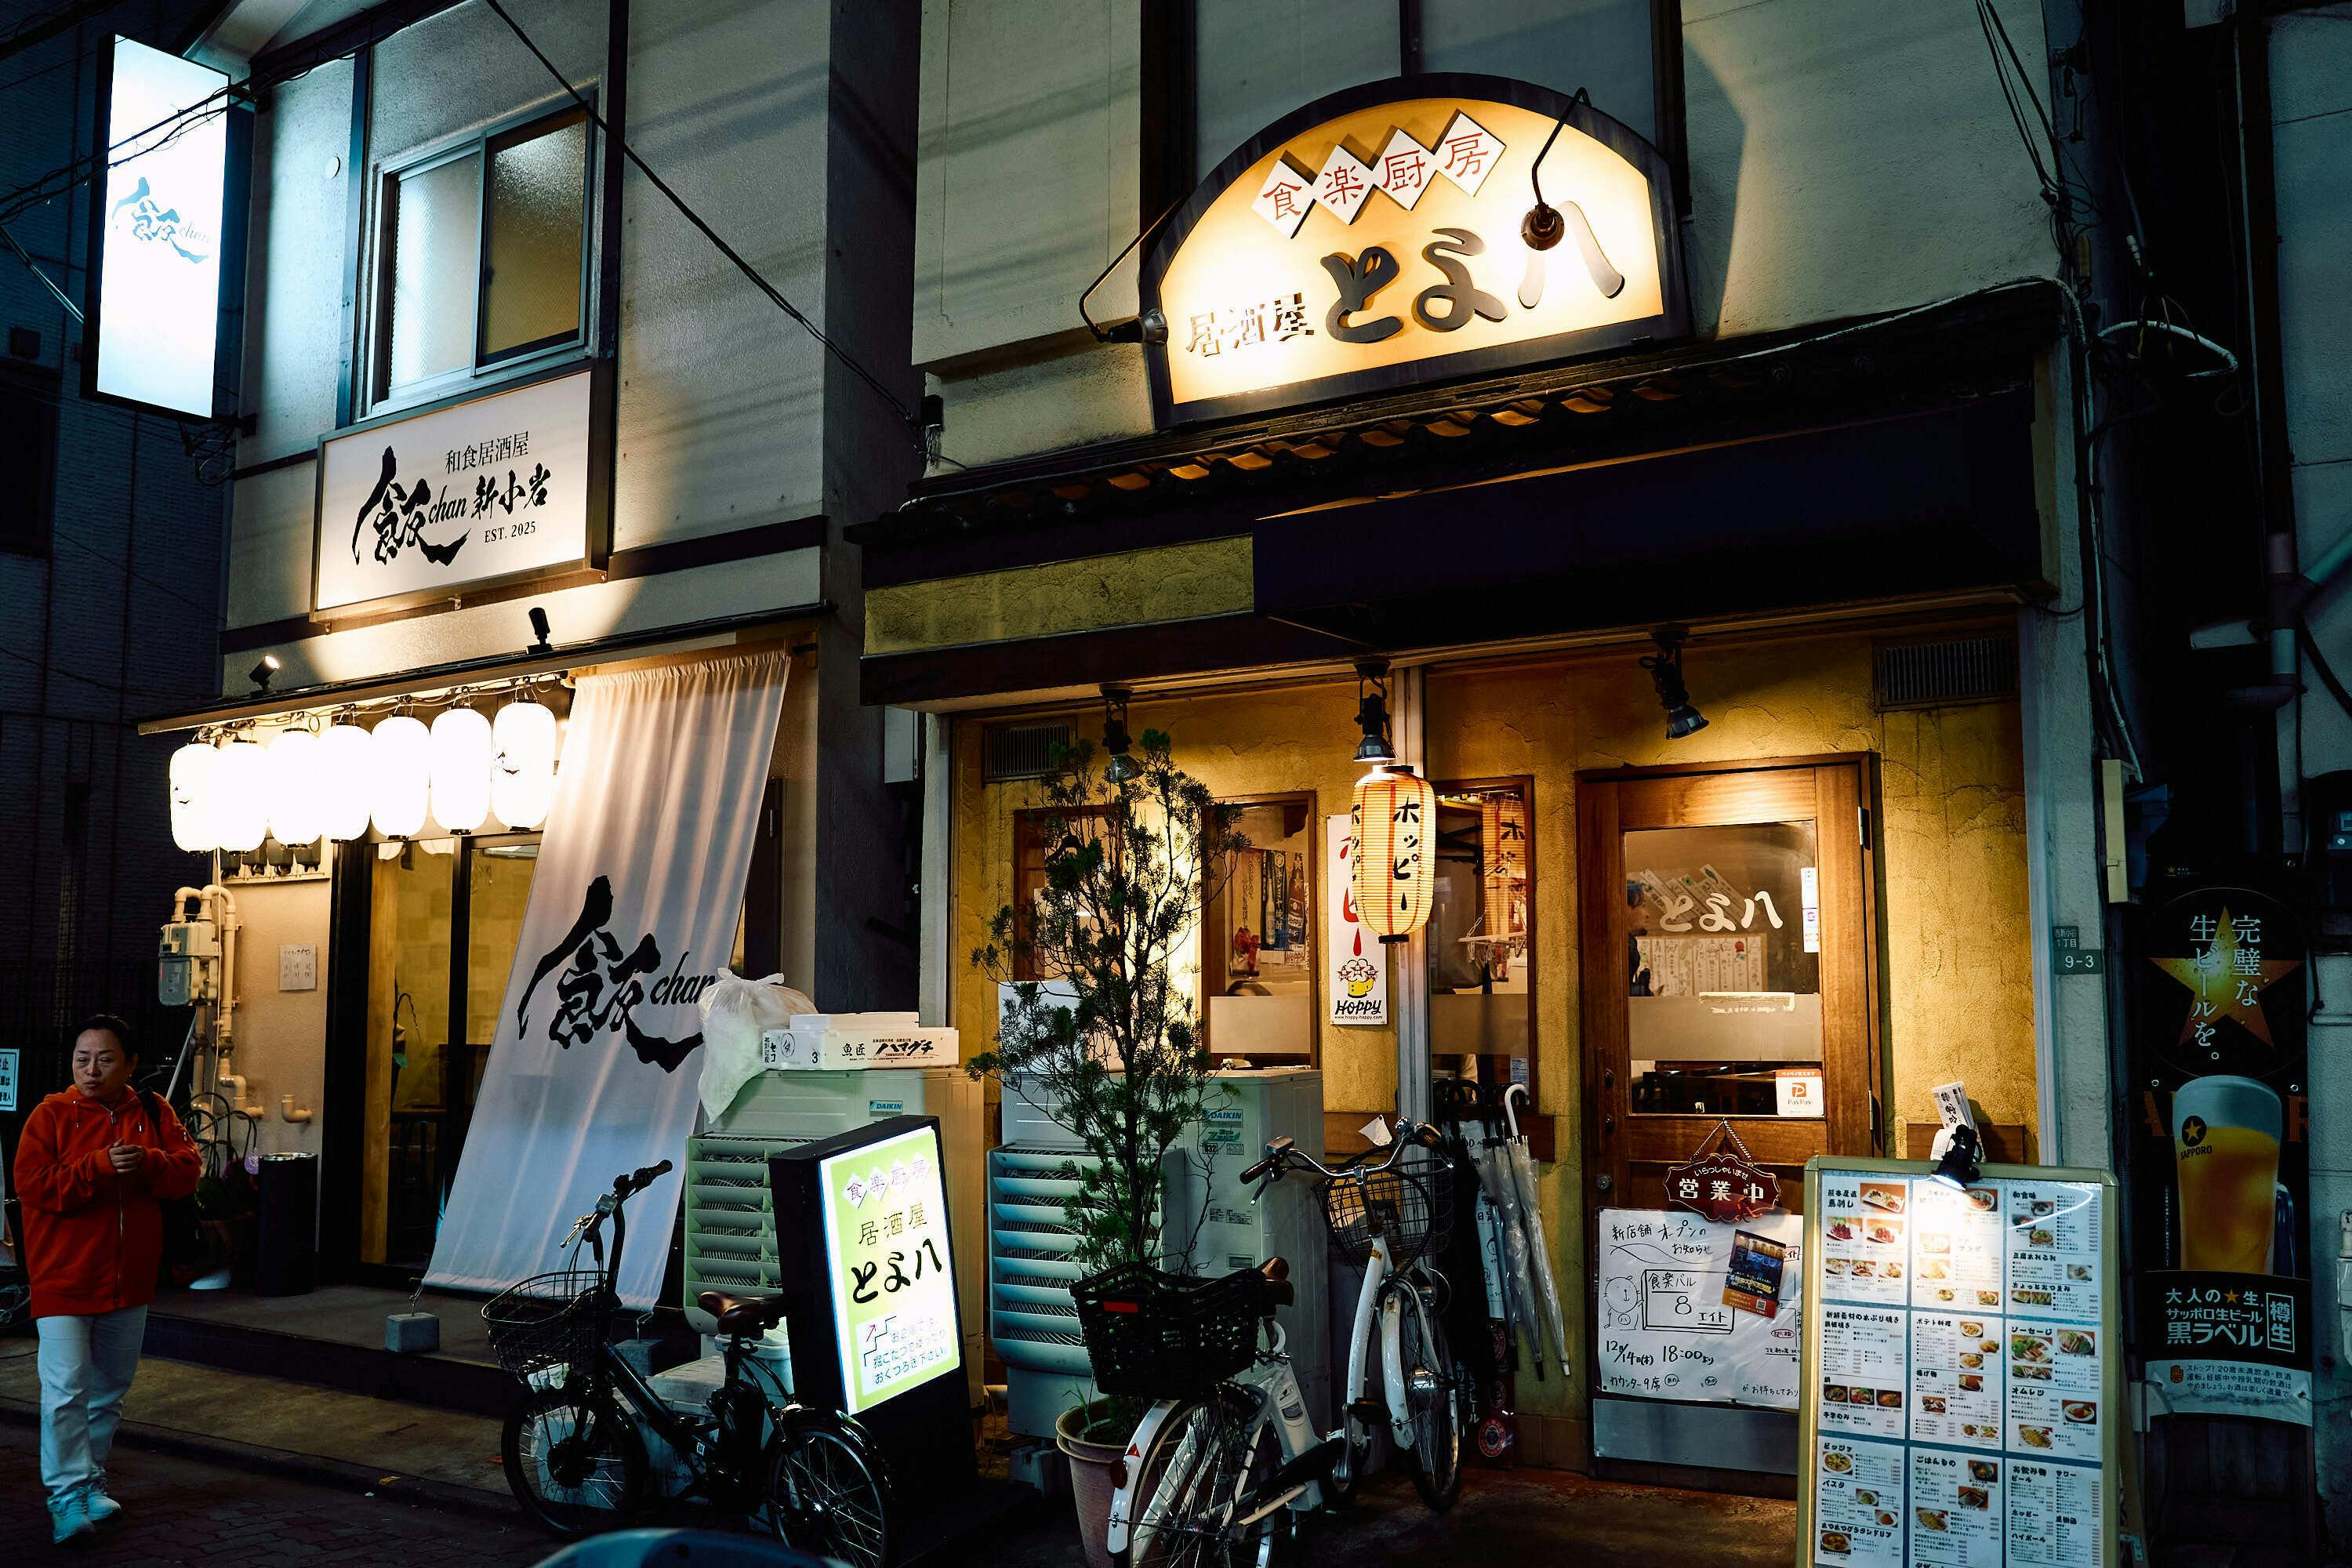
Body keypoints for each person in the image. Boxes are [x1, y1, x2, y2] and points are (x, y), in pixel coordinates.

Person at [13, 1014, 200, 1543]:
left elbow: (188, 1171)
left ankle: (91, 1481)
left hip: (129, 1280)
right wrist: (97, 1166)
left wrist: (150, 1162)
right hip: (62, 1279)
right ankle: (66, 1498)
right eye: (82, 1058)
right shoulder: (50, 1115)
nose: (91, 1070)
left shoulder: (153, 1110)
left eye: (105, 1059)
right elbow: (32, 1186)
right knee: (66, 1391)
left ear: (131, 1064)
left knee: (108, 1391)